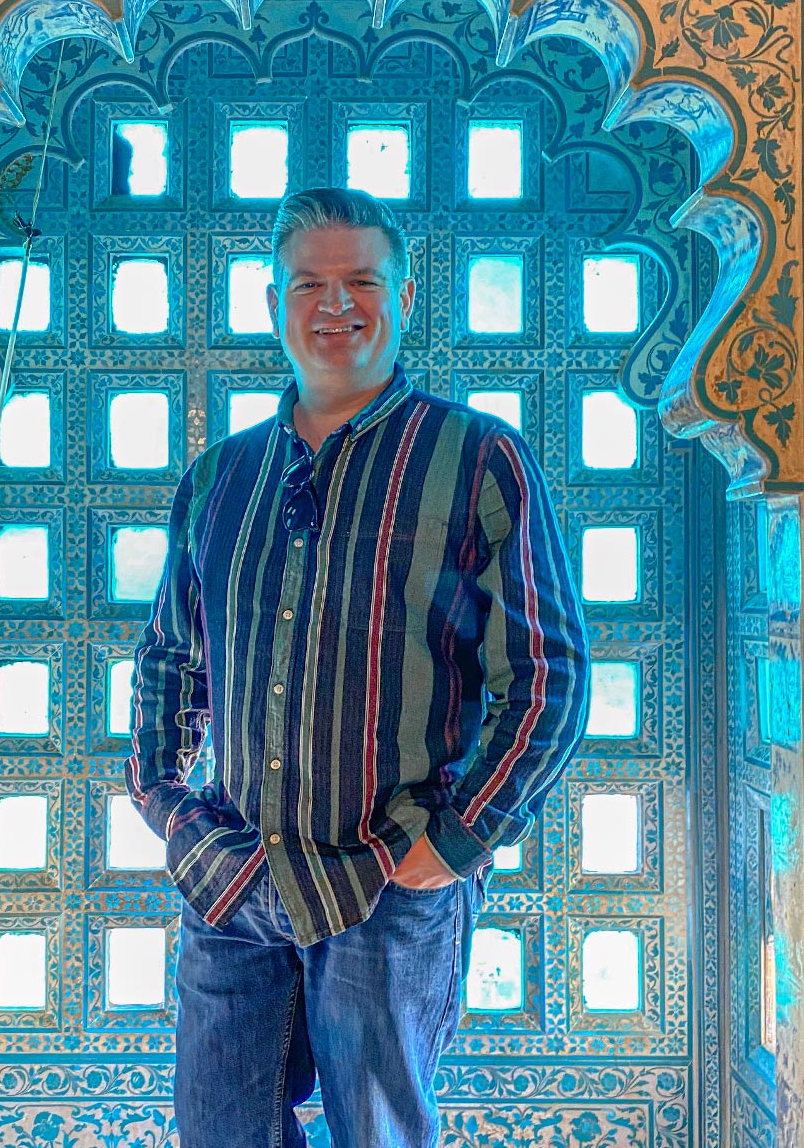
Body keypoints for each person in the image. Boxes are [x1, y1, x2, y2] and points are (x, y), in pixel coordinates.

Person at [128, 188, 589, 1146]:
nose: (335, 306)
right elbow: (172, 660)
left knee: (379, 1132)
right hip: (234, 877)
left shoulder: (478, 458)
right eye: (311, 284)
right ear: (274, 306)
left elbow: (547, 673)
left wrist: (454, 846)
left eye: (360, 282)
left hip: (387, 878)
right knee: (218, 1132)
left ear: (403, 296)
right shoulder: (219, 477)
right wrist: (169, 810)